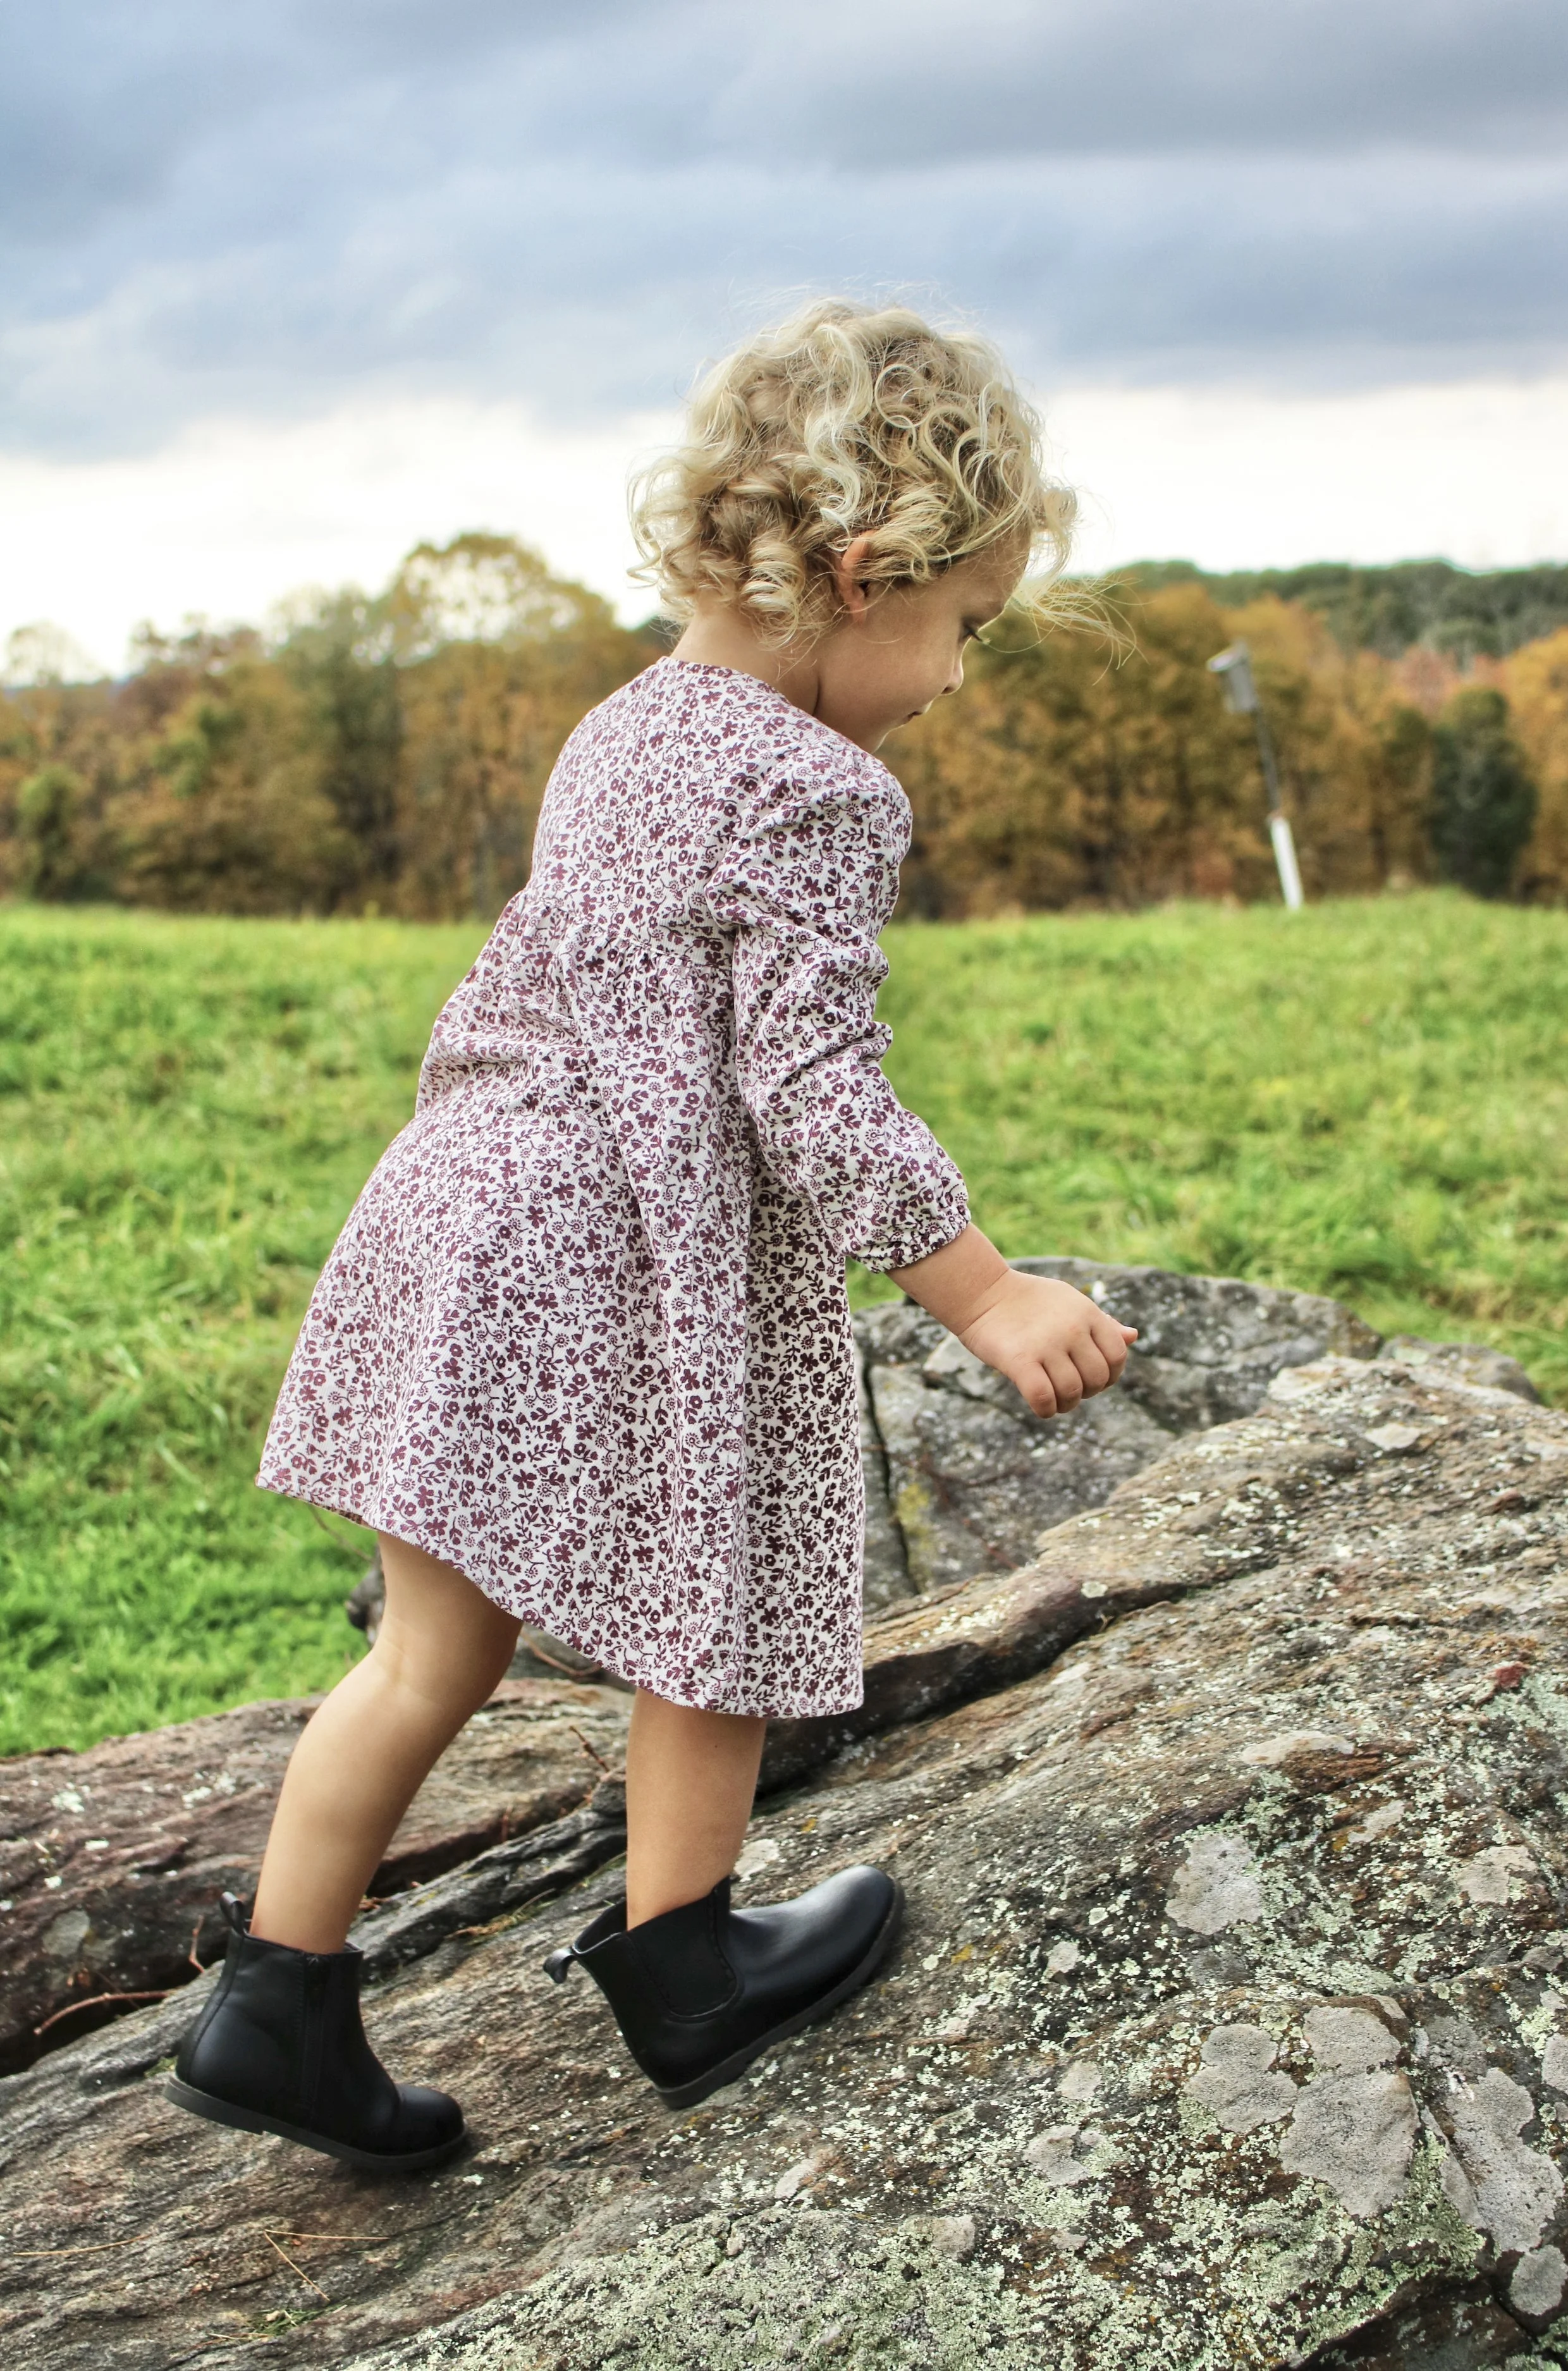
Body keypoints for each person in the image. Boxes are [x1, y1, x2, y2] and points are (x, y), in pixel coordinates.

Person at [166, 300, 1137, 2173]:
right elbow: (807, 1090)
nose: (953, 673)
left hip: (464, 1205)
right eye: (964, 626)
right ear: (865, 576)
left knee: (424, 1657)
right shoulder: (820, 786)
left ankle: (273, 1997)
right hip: (631, 1251)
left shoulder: (627, 724)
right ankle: (687, 1962)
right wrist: (985, 1287)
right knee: (723, 1600)